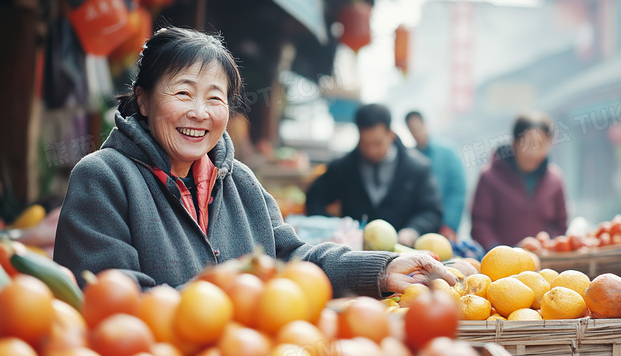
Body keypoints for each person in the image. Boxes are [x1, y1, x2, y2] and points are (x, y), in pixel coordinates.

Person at [53, 27, 455, 296]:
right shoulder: (103, 178)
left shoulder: (239, 182)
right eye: (182, 94)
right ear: (142, 98)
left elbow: (293, 258)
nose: (199, 112)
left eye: (215, 98)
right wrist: (233, 300)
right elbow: (112, 298)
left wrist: (382, 269)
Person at [305, 104, 443, 247]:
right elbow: (314, 199)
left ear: (390, 134)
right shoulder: (343, 167)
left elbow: (431, 211)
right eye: (365, 144)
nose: (371, 151)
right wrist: (335, 226)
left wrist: (413, 230)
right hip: (353, 255)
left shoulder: (417, 168)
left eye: (377, 143)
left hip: (401, 252)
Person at [470, 113, 567, 250]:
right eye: (528, 143)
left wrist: (549, 248)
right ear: (515, 143)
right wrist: (499, 252)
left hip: (544, 263)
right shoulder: (490, 176)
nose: (534, 152)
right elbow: (480, 223)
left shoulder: (555, 179)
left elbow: (561, 225)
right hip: (502, 265)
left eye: (541, 145)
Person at [405, 111, 466, 236]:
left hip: (444, 227)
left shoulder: (447, 153)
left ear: (425, 125)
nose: (416, 133)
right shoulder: (410, 158)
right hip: (420, 228)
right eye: (412, 130)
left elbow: (457, 191)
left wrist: (449, 225)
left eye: (417, 128)